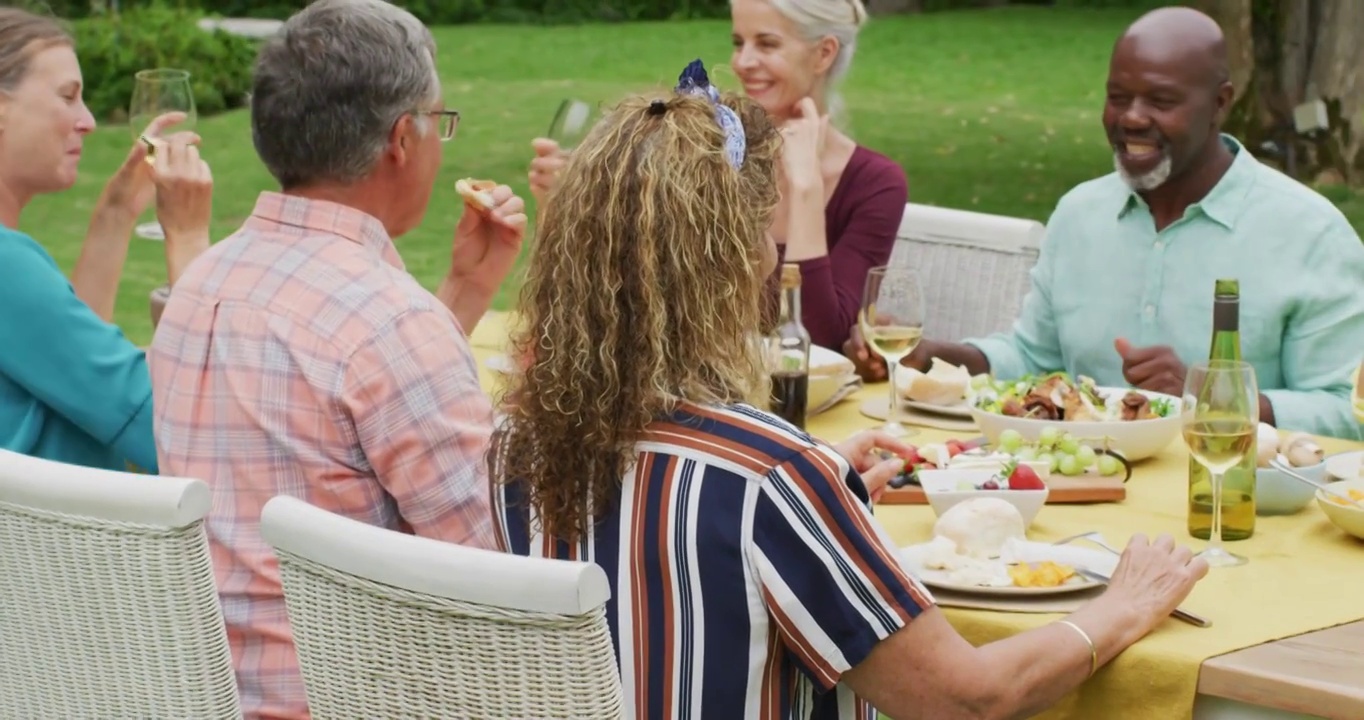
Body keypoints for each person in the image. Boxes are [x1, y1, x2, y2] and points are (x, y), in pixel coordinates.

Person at [493, 67, 1208, 720]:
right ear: (732, 264)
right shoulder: (773, 479)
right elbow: (967, 699)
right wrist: (1122, 607)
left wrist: (818, 490)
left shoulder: (513, 444)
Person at [146, 1, 524, 717]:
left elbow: (341, 414)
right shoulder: (389, 320)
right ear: (401, 140)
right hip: (356, 694)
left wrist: (467, 289)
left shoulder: (199, 286)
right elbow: (495, 570)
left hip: (202, 690)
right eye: (439, 121)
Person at [851, 6, 1364, 440]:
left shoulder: (1309, 233)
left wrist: (1212, 399)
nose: (1132, 118)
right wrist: (939, 356)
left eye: (1161, 101)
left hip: (1230, 513)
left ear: (1220, 104)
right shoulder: (1080, 215)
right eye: (1118, 97)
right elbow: (1034, 356)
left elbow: (1349, 409)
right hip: (1077, 494)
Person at [528, 0, 905, 351]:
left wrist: (806, 188)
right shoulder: (701, 152)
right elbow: (619, 291)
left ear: (824, 53)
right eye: (739, 42)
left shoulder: (876, 183)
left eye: (767, 44)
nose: (743, 62)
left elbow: (819, 344)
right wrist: (564, 207)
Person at [0, 7, 211, 473]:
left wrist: (116, 214)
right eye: (68, 97)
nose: (89, 121)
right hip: (65, 546)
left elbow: (69, 367)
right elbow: (182, 435)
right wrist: (189, 235)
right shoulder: (6, 266)